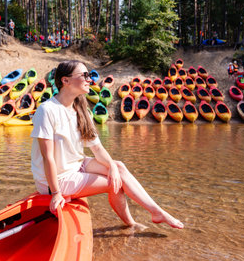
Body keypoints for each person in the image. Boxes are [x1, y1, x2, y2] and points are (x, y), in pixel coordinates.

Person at [30, 60, 184, 230]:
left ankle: (156, 212)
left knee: (119, 168)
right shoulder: (47, 110)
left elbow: (97, 148)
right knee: (113, 183)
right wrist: (56, 193)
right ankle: (131, 224)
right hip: (56, 180)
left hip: (76, 166)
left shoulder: (80, 109)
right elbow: (48, 157)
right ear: (65, 81)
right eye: (85, 75)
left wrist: (111, 166)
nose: (90, 79)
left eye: (89, 75)